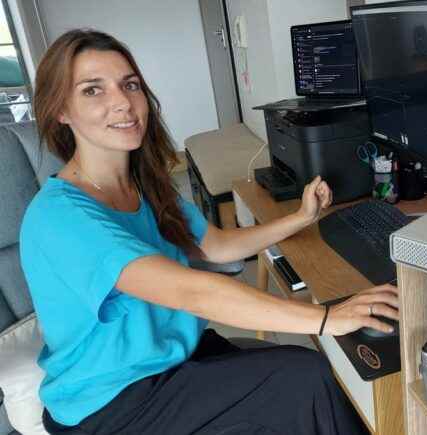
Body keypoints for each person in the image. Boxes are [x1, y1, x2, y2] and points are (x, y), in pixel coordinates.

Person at [19, 29, 399, 435]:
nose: (123, 103)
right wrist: (326, 317)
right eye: (93, 91)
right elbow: (190, 291)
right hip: (111, 401)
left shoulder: (144, 184)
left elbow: (216, 246)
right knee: (304, 377)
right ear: (60, 109)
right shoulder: (61, 218)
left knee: (312, 375)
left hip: (173, 360)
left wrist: (301, 218)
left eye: (130, 84)